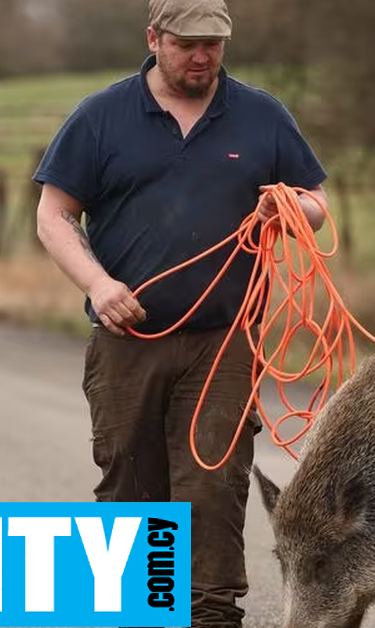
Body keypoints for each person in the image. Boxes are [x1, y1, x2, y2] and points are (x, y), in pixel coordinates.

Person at [33, 0, 328, 625]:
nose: (201, 56)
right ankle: (138, 609)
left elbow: (316, 204)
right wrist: (99, 283)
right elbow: (54, 215)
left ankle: (211, 614)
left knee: (214, 485)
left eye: (213, 45)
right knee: (130, 484)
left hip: (224, 341)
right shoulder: (101, 117)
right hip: (126, 338)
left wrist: (292, 211)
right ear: (154, 39)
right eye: (187, 44)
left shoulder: (261, 115)